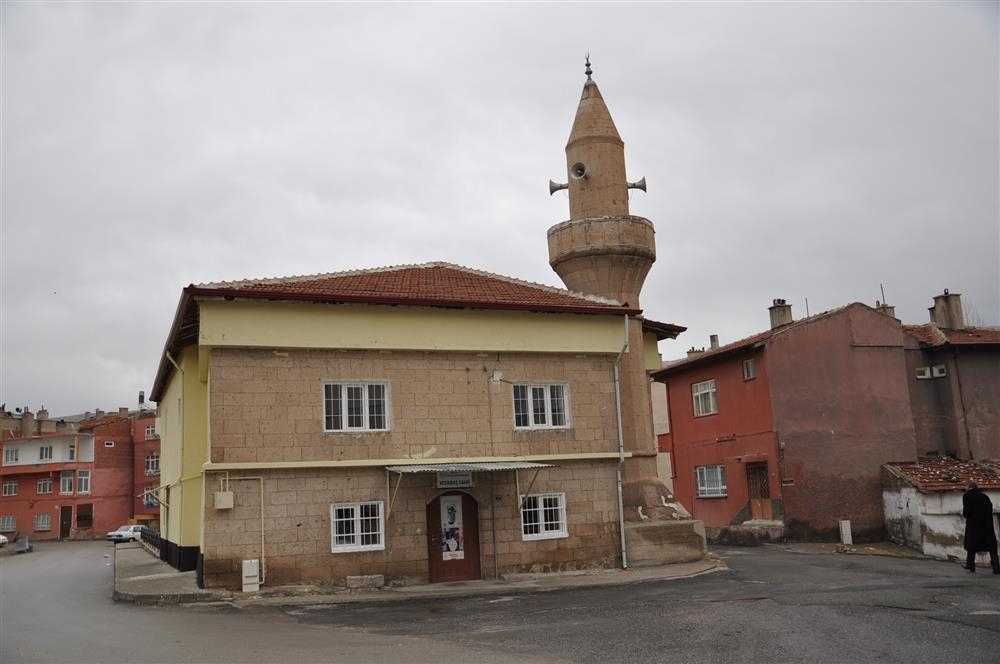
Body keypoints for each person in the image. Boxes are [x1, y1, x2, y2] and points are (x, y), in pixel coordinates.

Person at [961, 479, 1000, 574]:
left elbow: (967, 512)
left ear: (968, 486)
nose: (964, 488)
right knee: (991, 547)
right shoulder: (985, 497)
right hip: (987, 526)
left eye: (965, 486)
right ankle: (996, 568)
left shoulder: (967, 496)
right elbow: (990, 509)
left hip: (974, 525)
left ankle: (970, 565)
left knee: (971, 545)